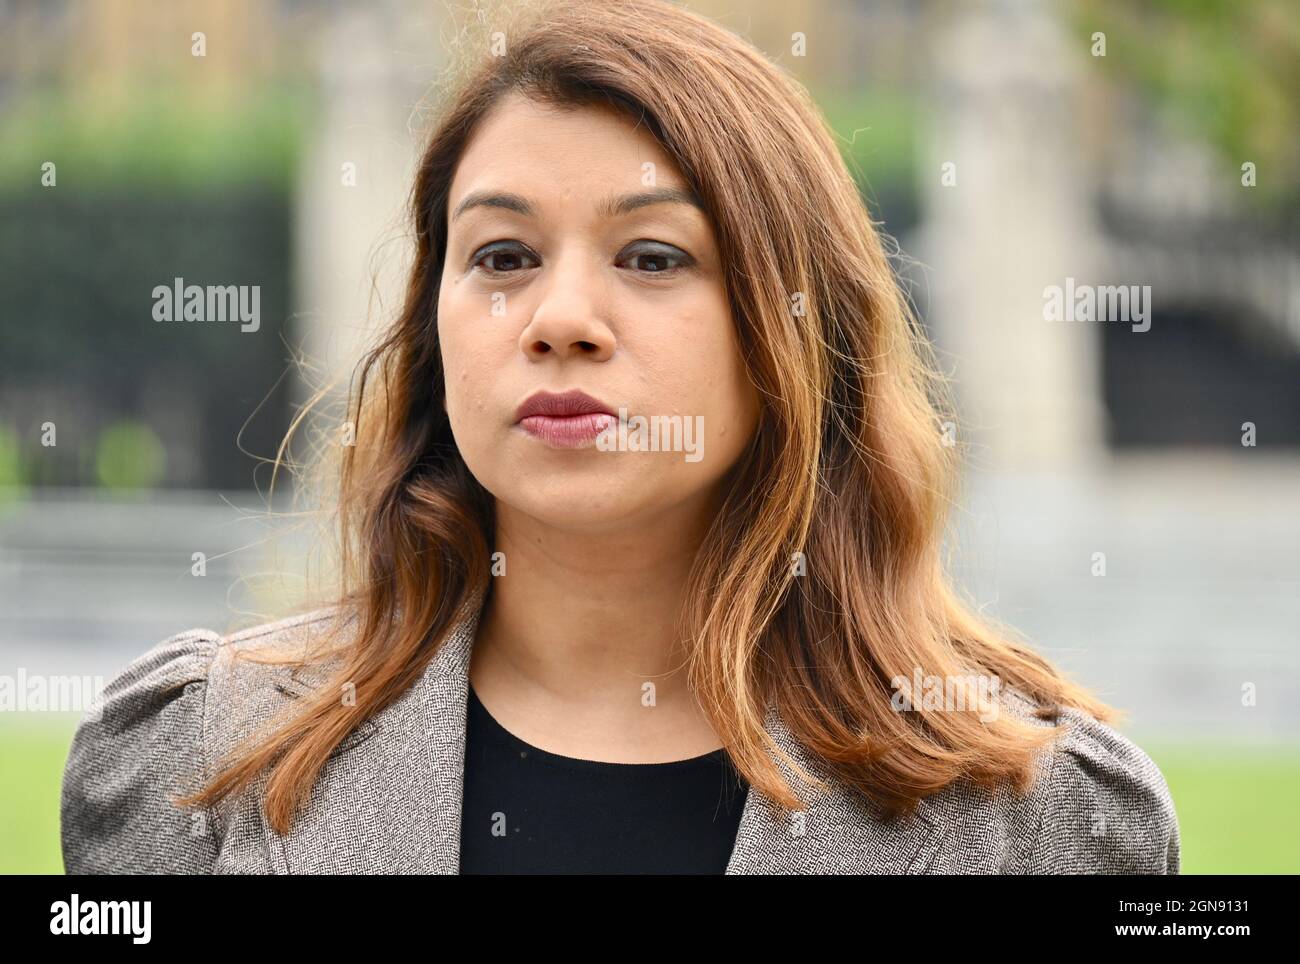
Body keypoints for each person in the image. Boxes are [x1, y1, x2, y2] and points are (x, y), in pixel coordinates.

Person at [61, 0, 1179, 874]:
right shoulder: (198, 762)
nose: (559, 320)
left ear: (795, 327)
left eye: (652, 257)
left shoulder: (1038, 820)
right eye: (502, 256)